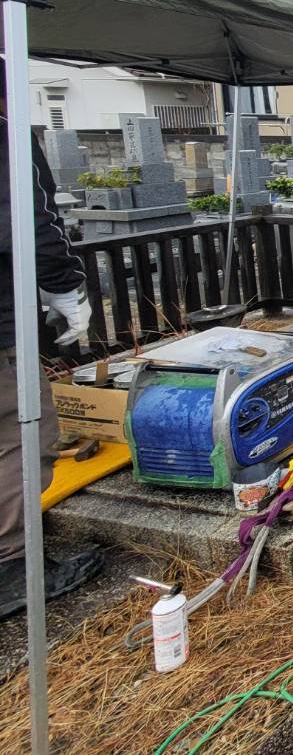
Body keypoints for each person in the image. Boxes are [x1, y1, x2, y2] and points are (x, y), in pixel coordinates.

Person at [0, 69, 104, 617]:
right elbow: (33, 221)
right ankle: (13, 562)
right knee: (20, 433)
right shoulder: (7, 134)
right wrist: (65, 285)